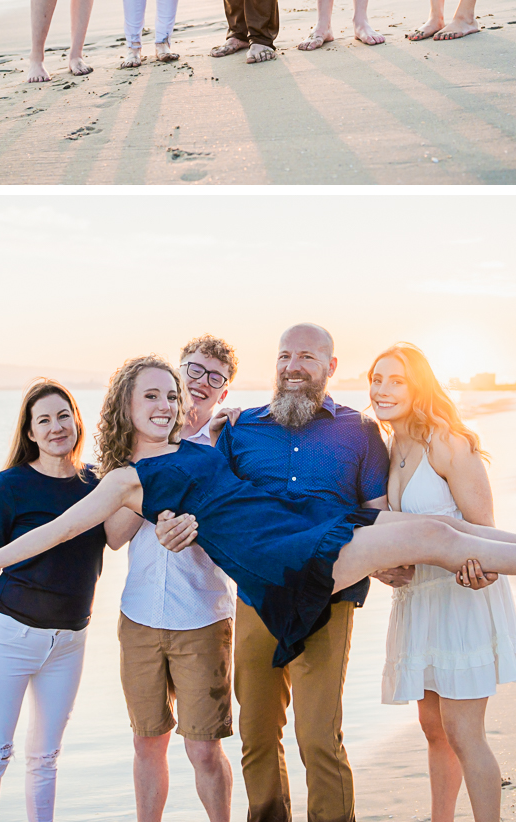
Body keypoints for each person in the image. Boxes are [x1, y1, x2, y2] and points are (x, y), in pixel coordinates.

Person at [0, 351, 516, 821]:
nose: (163, 404)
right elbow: (62, 529)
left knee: (436, 531)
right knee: (435, 539)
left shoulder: (209, 445)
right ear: (125, 406)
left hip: (298, 524)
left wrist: (192, 515)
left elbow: (243, 469)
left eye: (170, 394)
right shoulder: (124, 479)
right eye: (149, 395)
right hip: (277, 557)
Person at [161, 322, 391, 823]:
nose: (292, 368)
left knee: (318, 738)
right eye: (285, 356)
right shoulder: (241, 430)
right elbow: (211, 504)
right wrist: (170, 522)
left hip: (330, 599)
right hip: (257, 600)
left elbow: (380, 512)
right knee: (257, 735)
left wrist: (394, 561)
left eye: (306, 358)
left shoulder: (361, 432)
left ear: (330, 367)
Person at [0, 379, 121, 822]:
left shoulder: (97, 484)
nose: (56, 426)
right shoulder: (11, 486)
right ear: (30, 433)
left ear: (77, 421)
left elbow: (122, 536)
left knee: (46, 758)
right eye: (43, 420)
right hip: (7, 637)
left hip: (69, 644)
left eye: (63, 415)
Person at [370, 344, 516, 822]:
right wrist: (383, 569)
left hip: (462, 598)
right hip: (420, 601)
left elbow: (486, 531)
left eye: (397, 380)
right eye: (377, 379)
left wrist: (482, 569)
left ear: (419, 385)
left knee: (463, 732)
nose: (383, 389)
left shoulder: (447, 442)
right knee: (432, 729)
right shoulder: (391, 447)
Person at [109, 335, 239, 821]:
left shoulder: (228, 445)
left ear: (224, 392)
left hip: (202, 615)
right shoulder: (134, 447)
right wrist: (151, 487)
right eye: (195, 370)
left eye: (215, 377)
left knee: (203, 749)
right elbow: (114, 536)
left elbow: (240, 526)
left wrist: (197, 523)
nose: (201, 383)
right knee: (147, 742)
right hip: (139, 615)